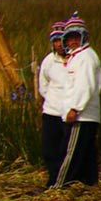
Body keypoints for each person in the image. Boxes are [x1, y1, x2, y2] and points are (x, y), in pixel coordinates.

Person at [53, 12, 101, 188]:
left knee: (70, 152)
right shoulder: (77, 57)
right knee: (87, 151)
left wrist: (75, 108)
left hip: (81, 115)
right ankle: (90, 185)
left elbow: (86, 85)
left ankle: (59, 186)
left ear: (84, 37)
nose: (73, 41)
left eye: (77, 37)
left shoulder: (85, 57)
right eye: (70, 38)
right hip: (85, 115)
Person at [37, 20, 67, 188]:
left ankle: (68, 181)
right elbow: (43, 85)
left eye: (61, 40)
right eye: (55, 41)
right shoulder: (49, 60)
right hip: (51, 112)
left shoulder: (75, 59)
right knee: (49, 150)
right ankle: (53, 180)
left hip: (70, 113)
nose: (59, 44)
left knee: (67, 150)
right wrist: (52, 100)